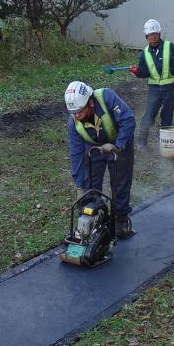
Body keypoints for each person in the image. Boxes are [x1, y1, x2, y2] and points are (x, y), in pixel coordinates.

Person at [65, 81, 136, 239]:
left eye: (80, 112)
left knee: (120, 183)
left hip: (119, 143)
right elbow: (76, 154)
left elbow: (128, 120)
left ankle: (121, 219)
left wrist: (117, 145)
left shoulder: (106, 97)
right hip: (93, 148)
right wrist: (79, 186)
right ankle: (95, 218)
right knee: (90, 186)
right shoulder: (73, 122)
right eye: (73, 112)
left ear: (90, 102)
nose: (77, 116)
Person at [127, 18, 174, 146]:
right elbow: (144, 72)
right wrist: (136, 71)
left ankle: (164, 142)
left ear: (159, 34)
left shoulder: (170, 47)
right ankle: (141, 142)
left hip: (171, 87)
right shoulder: (145, 53)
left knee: (167, 114)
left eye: (155, 34)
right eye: (150, 35)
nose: (153, 37)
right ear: (146, 36)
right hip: (154, 89)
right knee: (149, 113)